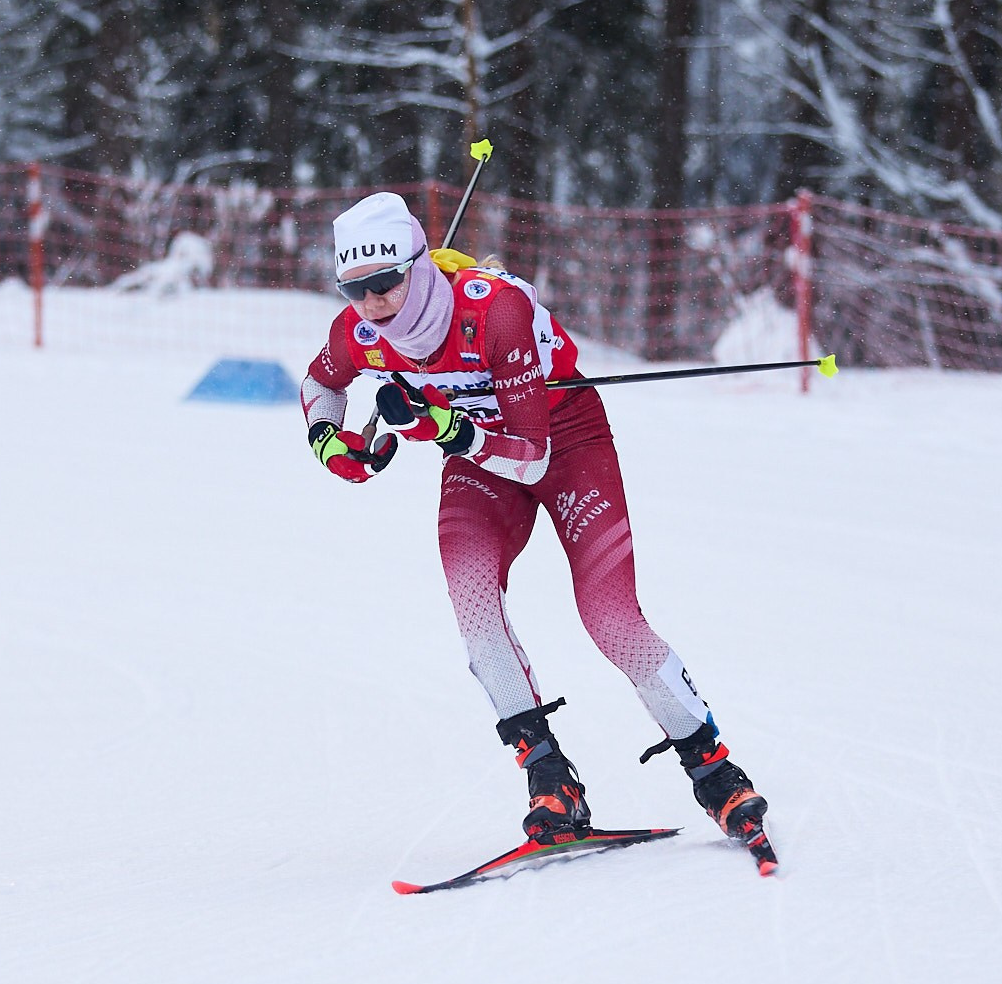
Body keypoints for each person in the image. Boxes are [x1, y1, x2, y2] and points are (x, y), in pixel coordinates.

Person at [300, 190, 773, 862]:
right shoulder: (361, 332)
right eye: (354, 289)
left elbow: (531, 454)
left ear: (416, 264)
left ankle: (716, 771)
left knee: (609, 616)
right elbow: (321, 383)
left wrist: (441, 425)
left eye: (385, 283)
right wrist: (331, 443)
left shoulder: (497, 311)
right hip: (478, 455)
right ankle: (550, 778)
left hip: (563, 441)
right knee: (472, 602)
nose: (372, 302)